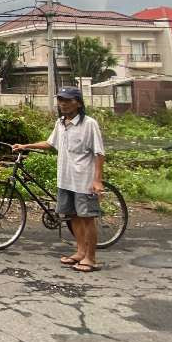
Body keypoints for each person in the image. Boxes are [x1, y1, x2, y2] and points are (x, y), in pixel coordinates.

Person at [12, 87, 106, 272]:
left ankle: (91, 258)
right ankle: (80, 252)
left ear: (78, 103)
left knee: (87, 218)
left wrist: (97, 180)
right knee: (73, 217)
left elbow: (99, 153)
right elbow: (49, 143)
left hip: (83, 180)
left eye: (67, 100)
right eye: (61, 100)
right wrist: (26, 145)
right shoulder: (60, 123)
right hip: (65, 179)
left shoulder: (89, 124)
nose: (62, 103)